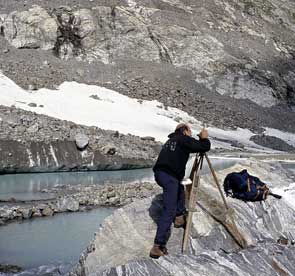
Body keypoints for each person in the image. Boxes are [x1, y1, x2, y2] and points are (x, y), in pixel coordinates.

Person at [149, 123, 211, 259]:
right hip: (169, 176)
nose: (190, 134)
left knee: (180, 190)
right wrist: (204, 138)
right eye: (189, 131)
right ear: (185, 131)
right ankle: (158, 246)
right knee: (168, 209)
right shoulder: (183, 139)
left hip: (161, 174)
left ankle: (179, 217)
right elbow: (204, 147)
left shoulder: (171, 140)